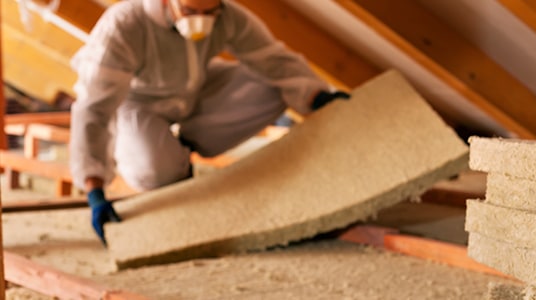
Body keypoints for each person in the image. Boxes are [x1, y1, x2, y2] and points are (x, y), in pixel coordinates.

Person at [70, 0, 349, 245]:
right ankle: (167, 161)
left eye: (209, 11)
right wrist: (94, 188)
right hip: (138, 101)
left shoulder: (228, 16)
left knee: (273, 84)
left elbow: (273, 59)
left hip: (195, 89)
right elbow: (93, 108)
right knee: (154, 170)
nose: (200, 20)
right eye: (190, 10)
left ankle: (183, 146)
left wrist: (316, 95)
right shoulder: (125, 24)